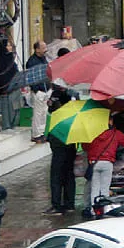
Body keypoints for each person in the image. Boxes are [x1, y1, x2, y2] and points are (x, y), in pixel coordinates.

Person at [87, 123, 124, 208]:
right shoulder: (115, 133)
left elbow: (85, 146)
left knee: (95, 188)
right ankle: (104, 207)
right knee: (105, 188)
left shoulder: (92, 134)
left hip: (95, 163)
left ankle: (94, 208)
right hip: (107, 163)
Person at [45, 84, 77, 212]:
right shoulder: (72, 116)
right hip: (71, 148)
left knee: (56, 176)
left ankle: (56, 205)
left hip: (59, 149)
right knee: (69, 175)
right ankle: (69, 204)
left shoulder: (57, 118)